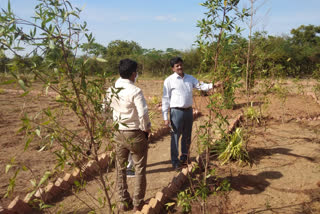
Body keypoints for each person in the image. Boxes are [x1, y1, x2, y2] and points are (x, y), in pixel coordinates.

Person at [106, 58, 151, 212]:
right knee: (139, 169)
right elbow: (143, 113)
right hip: (134, 132)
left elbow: (104, 109)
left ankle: (124, 201)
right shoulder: (135, 91)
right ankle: (138, 203)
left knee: (120, 167)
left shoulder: (111, 89)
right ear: (133, 74)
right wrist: (146, 128)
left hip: (118, 132)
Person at [162, 57, 214, 170]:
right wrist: (165, 117)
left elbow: (201, 86)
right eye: (177, 66)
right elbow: (165, 99)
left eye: (181, 65)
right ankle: (175, 161)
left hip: (188, 111)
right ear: (173, 68)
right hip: (176, 112)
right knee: (175, 137)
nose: (180, 67)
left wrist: (213, 85)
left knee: (187, 137)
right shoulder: (169, 81)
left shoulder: (190, 78)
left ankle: (184, 158)